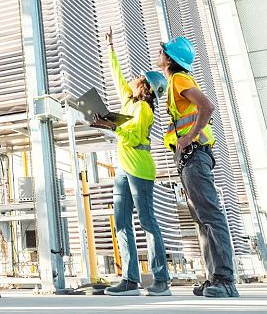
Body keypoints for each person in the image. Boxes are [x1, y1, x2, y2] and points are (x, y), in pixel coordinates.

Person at [158, 36, 239, 299]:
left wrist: (190, 136)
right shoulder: (174, 83)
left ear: (169, 59)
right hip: (189, 158)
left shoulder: (179, 79)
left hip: (195, 155)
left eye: (163, 53)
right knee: (202, 219)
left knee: (211, 216)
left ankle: (225, 279)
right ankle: (214, 276)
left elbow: (207, 106)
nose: (160, 55)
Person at [94, 30, 172, 297]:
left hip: (139, 168)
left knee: (148, 221)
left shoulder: (144, 110)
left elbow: (134, 136)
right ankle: (129, 280)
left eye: (140, 80)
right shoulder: (129, 101)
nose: (135, 80)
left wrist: (111, 126)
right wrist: (111, 47)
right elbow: (117, 77)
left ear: (146, 88)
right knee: (121, 222)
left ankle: (161, 280)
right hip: (124, 169)